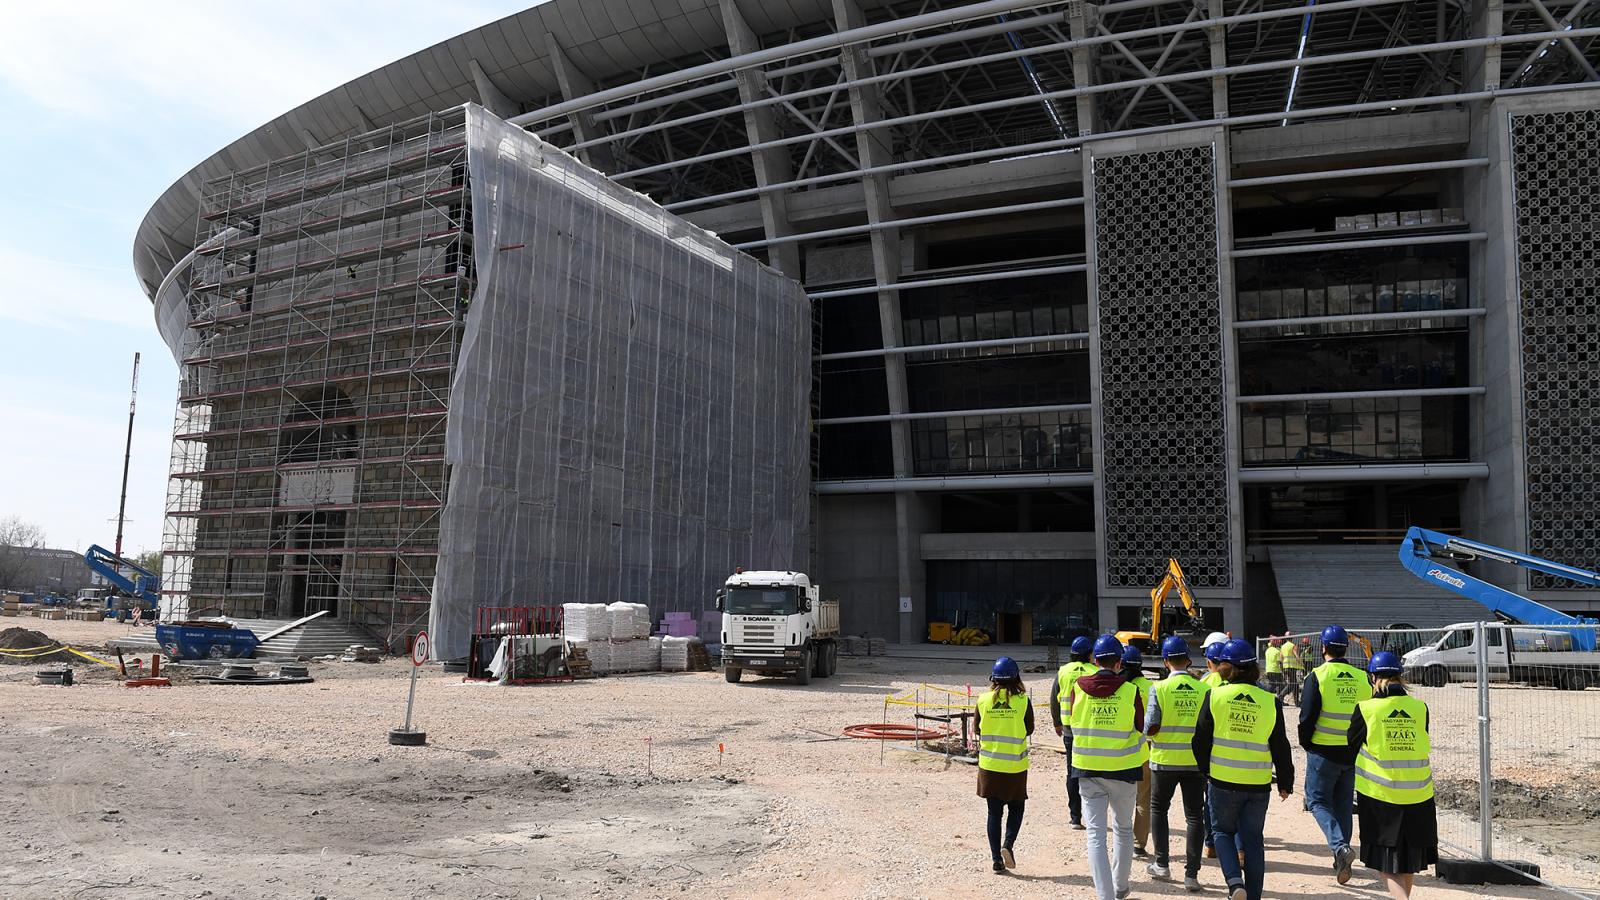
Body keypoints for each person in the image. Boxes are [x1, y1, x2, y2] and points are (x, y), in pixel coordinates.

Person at [1193, 639, 1295, 900]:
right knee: (1253, 842)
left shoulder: (1215, 696)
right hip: (1257, 784)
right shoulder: (1270, 701)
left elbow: (1200, 739)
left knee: (1222, 833)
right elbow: (1280, 745)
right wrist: (1286, 781)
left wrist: (1206, 770)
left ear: (1226, 668)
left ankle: (1235, 882)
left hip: (1223, 781)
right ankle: (1253, 897)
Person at [1351, 651, 1437, 899]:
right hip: (1419, 795)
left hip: (1381, 797)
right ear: (1401, 676)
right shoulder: (1420, 708)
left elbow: (1350, 745)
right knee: (1408, 861)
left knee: (1386, 863)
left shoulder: (1367, 709)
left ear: (1373, 677)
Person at [1068, 635, 1146, 900]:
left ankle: (1105, 895)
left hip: (1088, 770)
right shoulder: (1130, 690)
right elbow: (1140, 727)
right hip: (1123, 770)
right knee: (1124, 829)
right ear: (1119, 662)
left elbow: (1070, 724)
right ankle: (1120, 886)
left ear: (1095, 659)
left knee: (1096, 836)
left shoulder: (1078, 687)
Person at [1299, 624, 1373, 885]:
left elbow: (1307, 715)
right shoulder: (1362, 677)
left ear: (1323, 648)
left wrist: (1306, 743)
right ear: (1346, 647)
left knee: (1317, 802)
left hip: (1322, 750)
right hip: (1351, 753)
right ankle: (1340, 857)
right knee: (1342, 805)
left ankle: (1340, 848)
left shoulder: (1318, 676)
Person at [1144, 635, 1209, 893]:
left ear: (1165, 661)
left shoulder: (1158, 689)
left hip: (1164, 761)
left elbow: (1149, 727)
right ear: (1188, 660)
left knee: (1159, 809)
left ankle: (1162, 864)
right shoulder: (1204, 689)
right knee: (1195, 815)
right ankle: (1191, 875)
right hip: (1195, 762)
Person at [976, 656, 1035, 873]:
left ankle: (995, 860)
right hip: (1015, 767)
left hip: (990, 766)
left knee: (994, 813)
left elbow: (977, 729)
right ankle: (1007, 845)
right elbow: (1029, 728)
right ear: (1016, 677)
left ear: (993, 678)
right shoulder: (1022, 701)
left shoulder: (983, 700)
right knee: (1016, 807)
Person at [1052, 634, 1098, 829]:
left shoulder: (1063, 671)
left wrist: (1056, 723)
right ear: (1089, 654)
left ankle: (1074, 817)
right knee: (1092, 773)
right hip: (1090, 730)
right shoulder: (1094, 671)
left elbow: (1054, 698)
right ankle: (1094, 817)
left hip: (1069, 729)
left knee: (1072, 772)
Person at [1122, 644, 1154, 860]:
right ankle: (1138, 844)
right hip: (1144, 750)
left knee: (1121, 798)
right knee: (1143, 799)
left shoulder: (1119, 689)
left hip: (1121, 752)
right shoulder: (1150, 687)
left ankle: (1121, 840)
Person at [1281, 635, 1305, 704]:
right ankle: (1281, 696)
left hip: (1285, 667)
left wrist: (1283, 666)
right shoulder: (1293, 645)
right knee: (1293, 684)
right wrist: (1301, 663)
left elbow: (1281, 657)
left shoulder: (1283, 646)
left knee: (1293, 684)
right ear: (1292, 638)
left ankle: (1296, 701)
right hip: (1292, 667)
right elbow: (1296, 655)